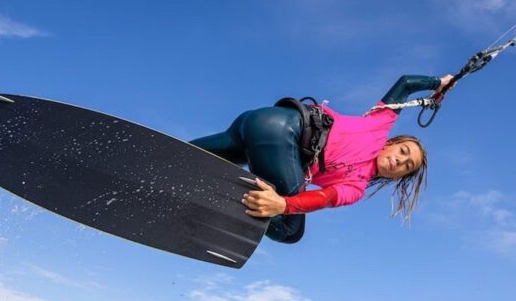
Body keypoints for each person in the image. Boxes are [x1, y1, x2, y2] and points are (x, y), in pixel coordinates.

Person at [189, 74, 454, 244]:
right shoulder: (379, 123)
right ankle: (233, 196)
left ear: (397, 177)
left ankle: (168, 160)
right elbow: (406, 84)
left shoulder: (356, 187)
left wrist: (283, 202)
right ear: (392, 144)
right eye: (403, 152)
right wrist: (437, 84)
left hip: (257, 123)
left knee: (187, 156)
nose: (399, 161)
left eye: (406, 166)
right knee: (290, 230)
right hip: (285, 132)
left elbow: (325, 198)